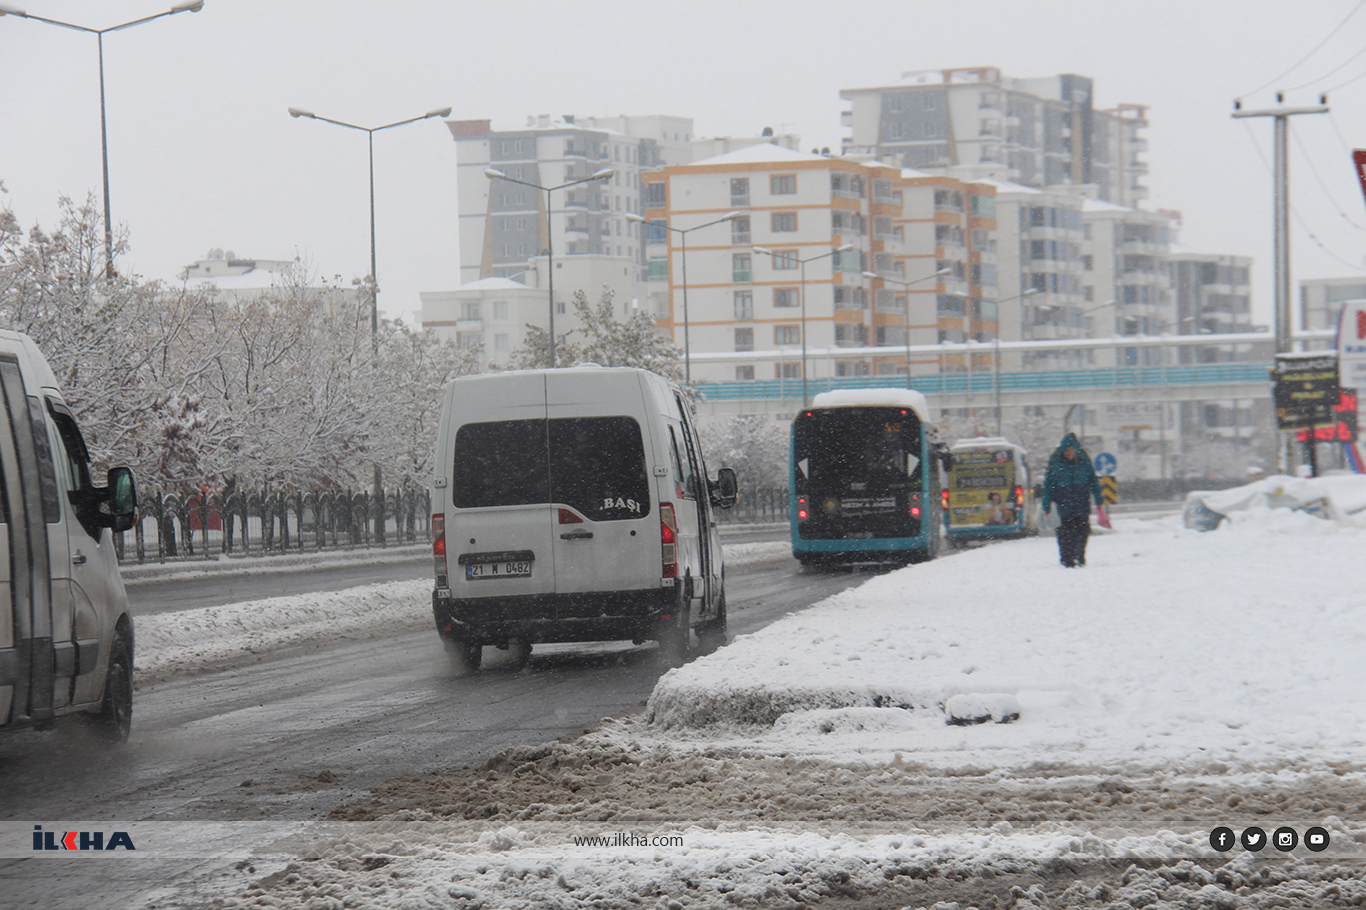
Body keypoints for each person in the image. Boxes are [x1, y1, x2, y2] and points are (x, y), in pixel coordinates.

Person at [1039, 432, 1103, 568]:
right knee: (1065, 533)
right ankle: (1067, 558)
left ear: (1076, 450)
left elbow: (1093, 481)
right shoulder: (1056, 464)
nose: (1069, 453)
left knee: (1083, 531)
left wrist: (1099, 500)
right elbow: (1049, 485)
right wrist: (1046, 505)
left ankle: (1079, 555)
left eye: (1071, 450)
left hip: (1082, 502)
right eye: (1066, 450)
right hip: (1064, 503)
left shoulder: (1084, 462)